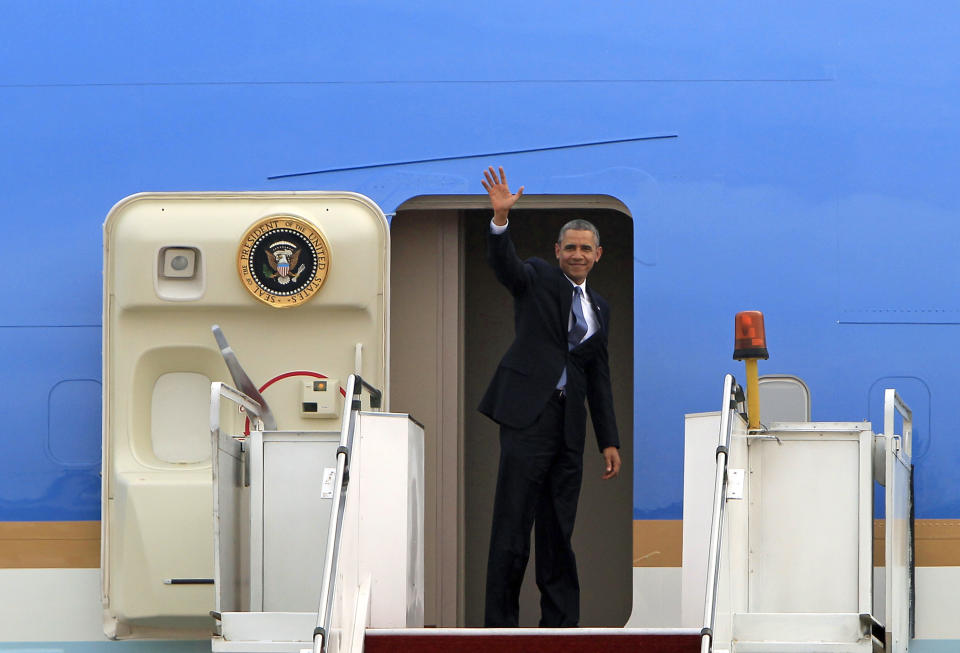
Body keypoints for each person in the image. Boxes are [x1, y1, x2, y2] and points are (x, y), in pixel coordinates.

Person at [479, 166, 621, 628]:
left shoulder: (599, 307)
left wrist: (609, 440)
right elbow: (507, 268)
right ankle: (500, 627)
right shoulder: (539, 277)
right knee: (513, 527)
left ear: (598, 255)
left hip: (569, 429)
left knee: (559, 530)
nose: (578, 255)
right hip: (527, 418)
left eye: (586, 248)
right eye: (570, 248)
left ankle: (560, 626)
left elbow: (599, 376)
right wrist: (501, 221)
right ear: (558, 252)